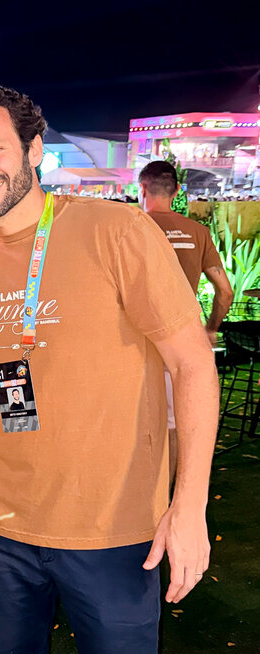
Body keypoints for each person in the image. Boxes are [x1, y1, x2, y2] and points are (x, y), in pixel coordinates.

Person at [0, 84, 217, 654]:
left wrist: (190, 504)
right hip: (0, 520)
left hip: (114, 528)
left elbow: (194, 364)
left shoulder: (114, 230)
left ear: (34, 149)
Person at [138, 159, 232, 483]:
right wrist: (210, 329)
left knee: (133, 419)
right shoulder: (198, 232)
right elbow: (225, 292)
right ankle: (165, 498)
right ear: (177, 191)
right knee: (173, 422)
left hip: (137, 342)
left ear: (142, 189)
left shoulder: (134, 226)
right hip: (180, 340)